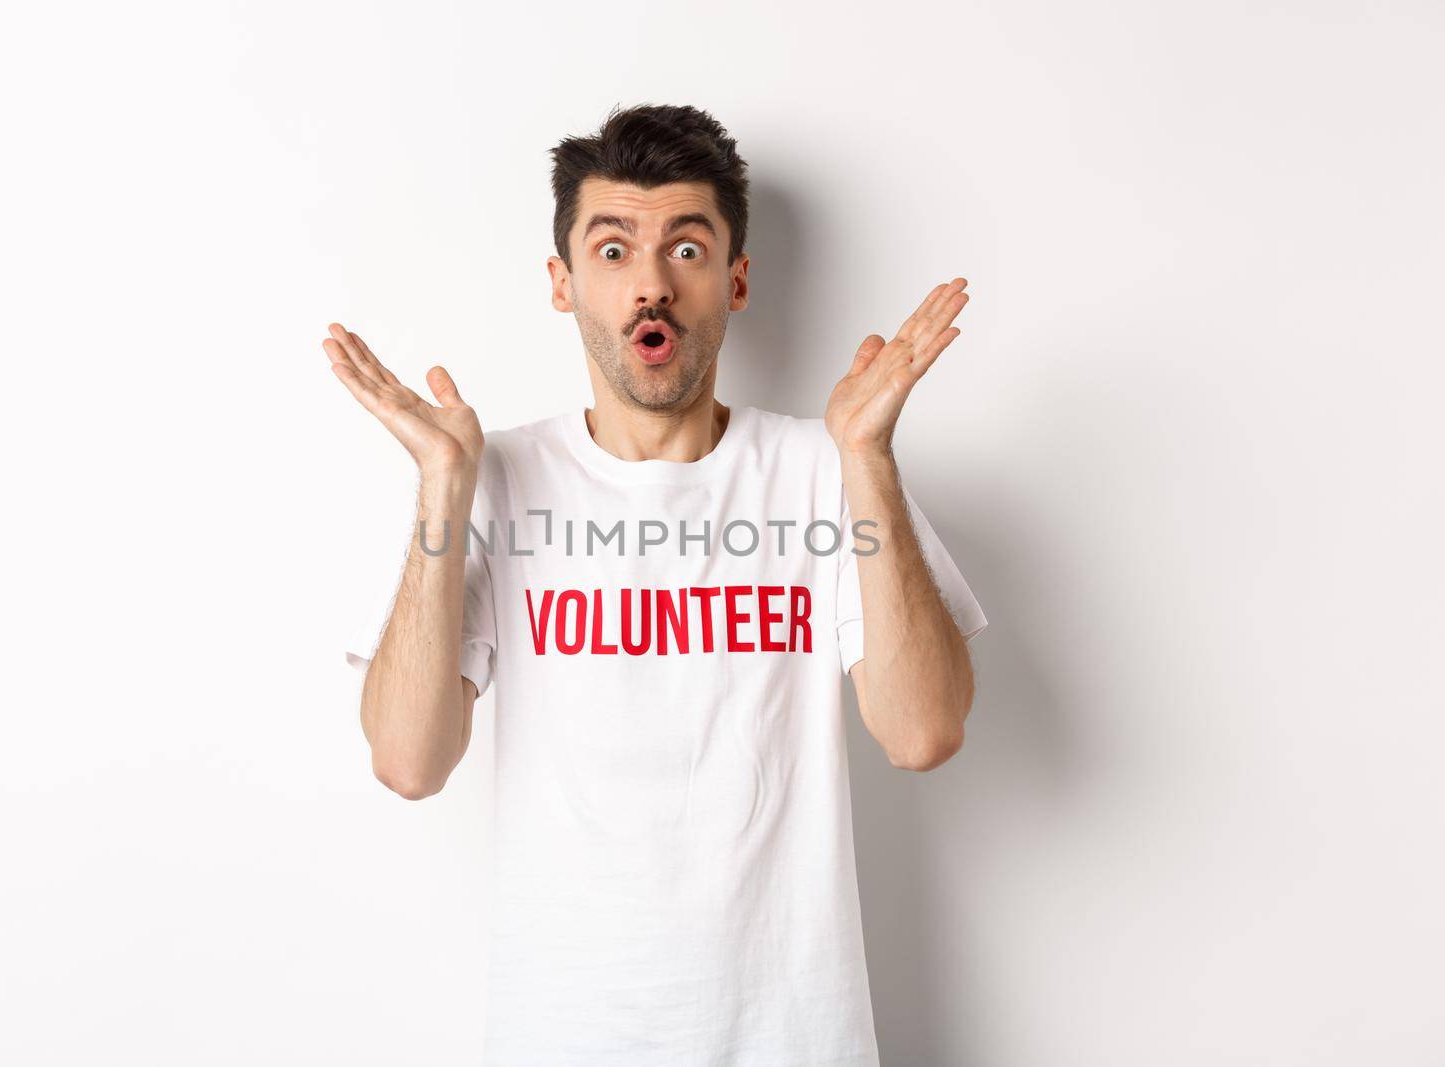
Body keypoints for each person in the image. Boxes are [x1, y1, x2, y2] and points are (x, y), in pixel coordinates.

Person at [325, 103, 987, 1066]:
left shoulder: (825, 467)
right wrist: (439, 489)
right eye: (612, 250)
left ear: (736, 279)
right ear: (562, 283)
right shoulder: (488, 477)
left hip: (792, 1038)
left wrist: (868, 457)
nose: (650, 284)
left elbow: (925, 731)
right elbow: (407, 761)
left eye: (686, 248)